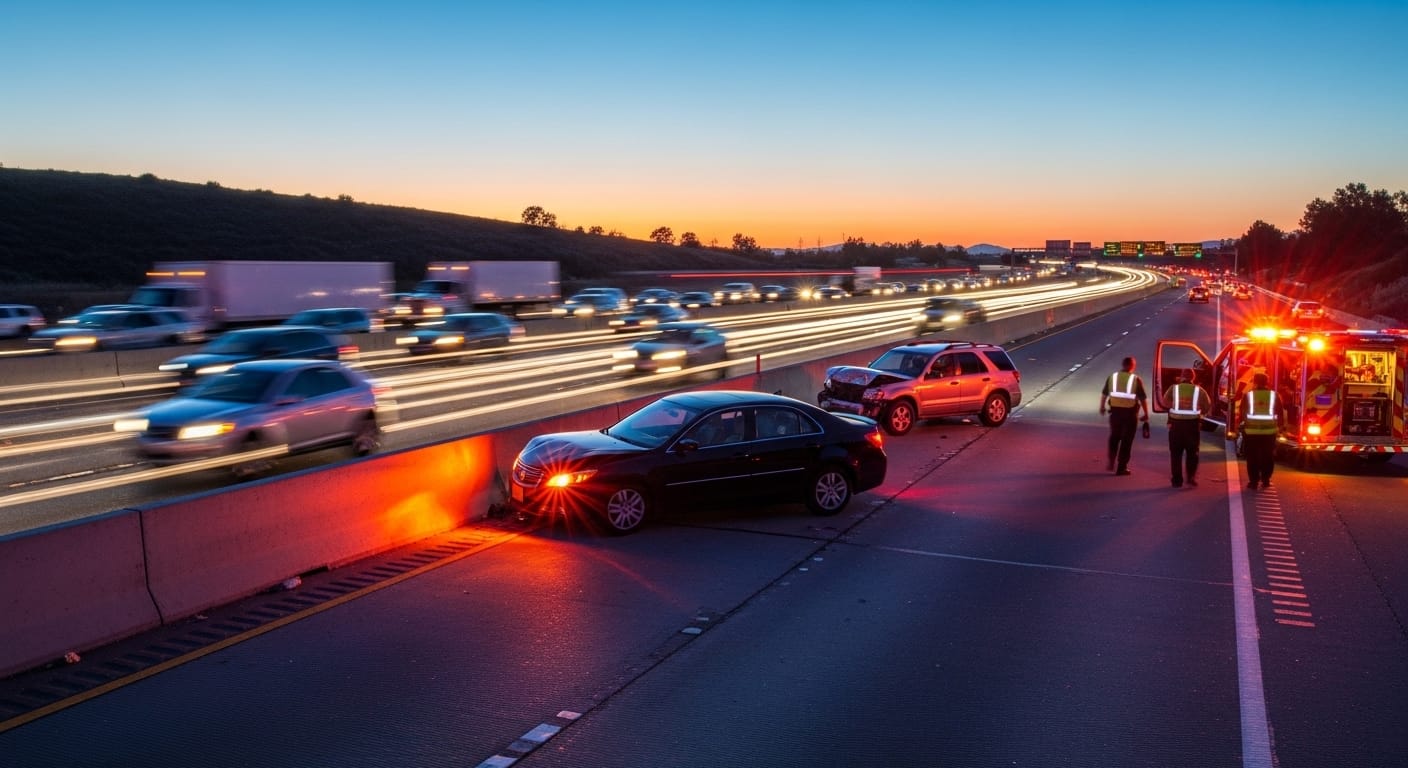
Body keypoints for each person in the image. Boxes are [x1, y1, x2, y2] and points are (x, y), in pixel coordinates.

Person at [1161, 367, 1212, 488]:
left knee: (1176, 453)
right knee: (1192, 453)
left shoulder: (1173, 388)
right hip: (1192, 425)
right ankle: (1190, 478)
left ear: (1182, 376)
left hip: (1176, 425)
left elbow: (1165, 403)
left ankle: (1177, 480)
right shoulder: (1199, 391)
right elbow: (1207, 406)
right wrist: (1199, 412)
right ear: (1193, 378)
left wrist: (1177, 406)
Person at [1099, 356, 1149, 476]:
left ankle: (1111, 459)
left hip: (1115, 413)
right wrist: (1146, 414)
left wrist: (1102, 407)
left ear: (1123, 365)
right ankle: (1121, 467)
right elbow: (1142, 398)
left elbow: (1104, 394)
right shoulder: (1135, 379)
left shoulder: (1113, 377)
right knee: (1126, 441)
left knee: (1114, 437)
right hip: (1130, 414)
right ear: (1132, 366)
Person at [1234, 372, 1285, 490]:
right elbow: (1280, 412)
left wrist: (1240, 427)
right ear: (1267, 382)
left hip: (1251, 431)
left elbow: (1242, 413)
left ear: (1255, 382)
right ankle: (1266, 479)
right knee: (1267, 456)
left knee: (1252, 457)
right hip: (1269, 432)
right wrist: (1281, 427)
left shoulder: (1248, 395)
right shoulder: (1274, 395)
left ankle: (1253, 482)